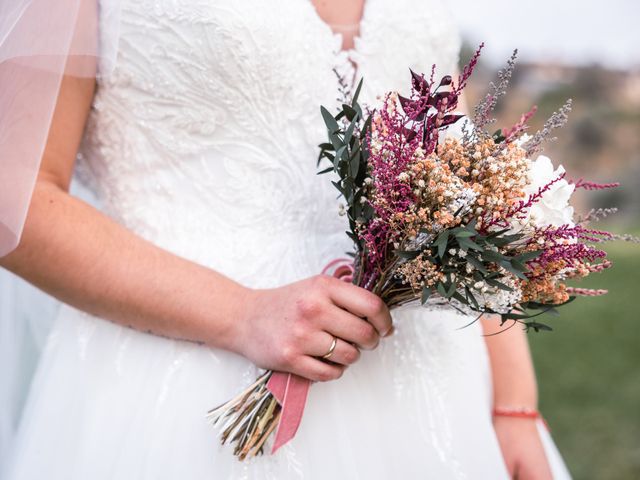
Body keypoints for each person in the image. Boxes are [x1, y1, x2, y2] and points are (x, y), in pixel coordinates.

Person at [0, 0, 572, 478]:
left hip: (436, 391)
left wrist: (514, 403)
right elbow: (15, 200)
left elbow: (457, 179)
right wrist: (241, 313)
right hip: (185, 385)